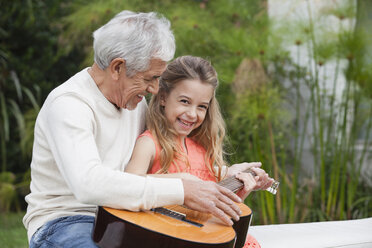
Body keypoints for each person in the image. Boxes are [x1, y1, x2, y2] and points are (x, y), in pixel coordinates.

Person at [23, 11, 258, 248]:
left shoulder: (135, 103)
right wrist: (182, 190)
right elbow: (89, 184)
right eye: (150, 78)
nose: (155, 89)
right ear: (117, 68)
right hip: (68, 221)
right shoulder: (69, 104)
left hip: (129, 216)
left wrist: (221, 174)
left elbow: (169, 159)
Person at [125, 55, 275, 248]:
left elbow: (209, 217)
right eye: (185, 101)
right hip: (164, 239)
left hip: (198, 238)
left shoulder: (202, 150)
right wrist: (182, 180)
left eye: (202, 106)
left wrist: (241, 190)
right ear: (163, 97)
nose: (192, 114)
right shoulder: (150, 143)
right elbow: (127, 184)